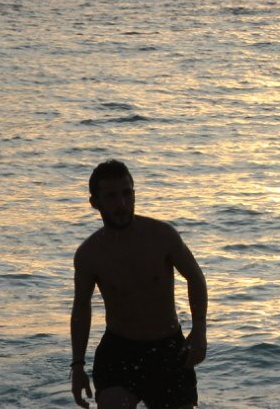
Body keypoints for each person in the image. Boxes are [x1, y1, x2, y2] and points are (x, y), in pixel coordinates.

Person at [71, 159, 207, 409]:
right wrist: (77, 365)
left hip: (167, 349)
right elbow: (81, 308)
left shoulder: (162, 236)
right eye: (111, 196)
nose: (121, 204)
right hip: (119, 351)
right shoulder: (89, 254)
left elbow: (195, 278)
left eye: (127, 193)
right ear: (95, 202)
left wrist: (199, 330)